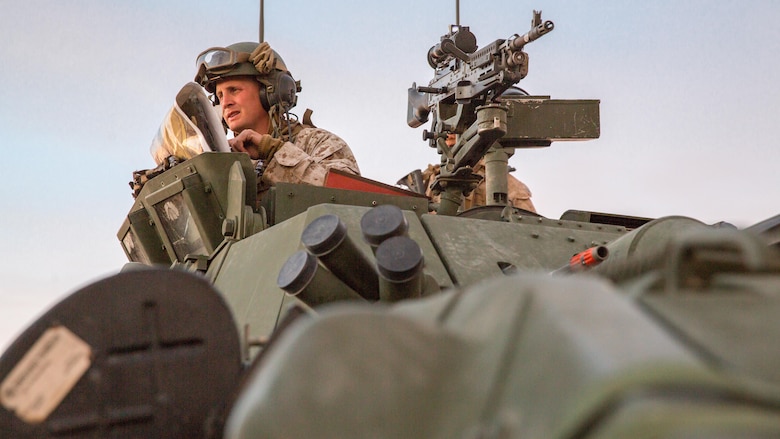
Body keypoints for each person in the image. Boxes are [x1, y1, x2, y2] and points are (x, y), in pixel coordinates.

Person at [194, 41, 360, 199]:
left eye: (234, 90)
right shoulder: (222, 163)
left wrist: (273, 152)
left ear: (271, 93)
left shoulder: (316, 143)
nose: (225, 103)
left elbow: (350, 197)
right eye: (220, 96)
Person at [422, 134, 536, 213]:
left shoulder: (507, 183)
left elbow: (530, 227)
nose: (450, 136)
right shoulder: (430, 179)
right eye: (446, 133)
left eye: (455, 132)